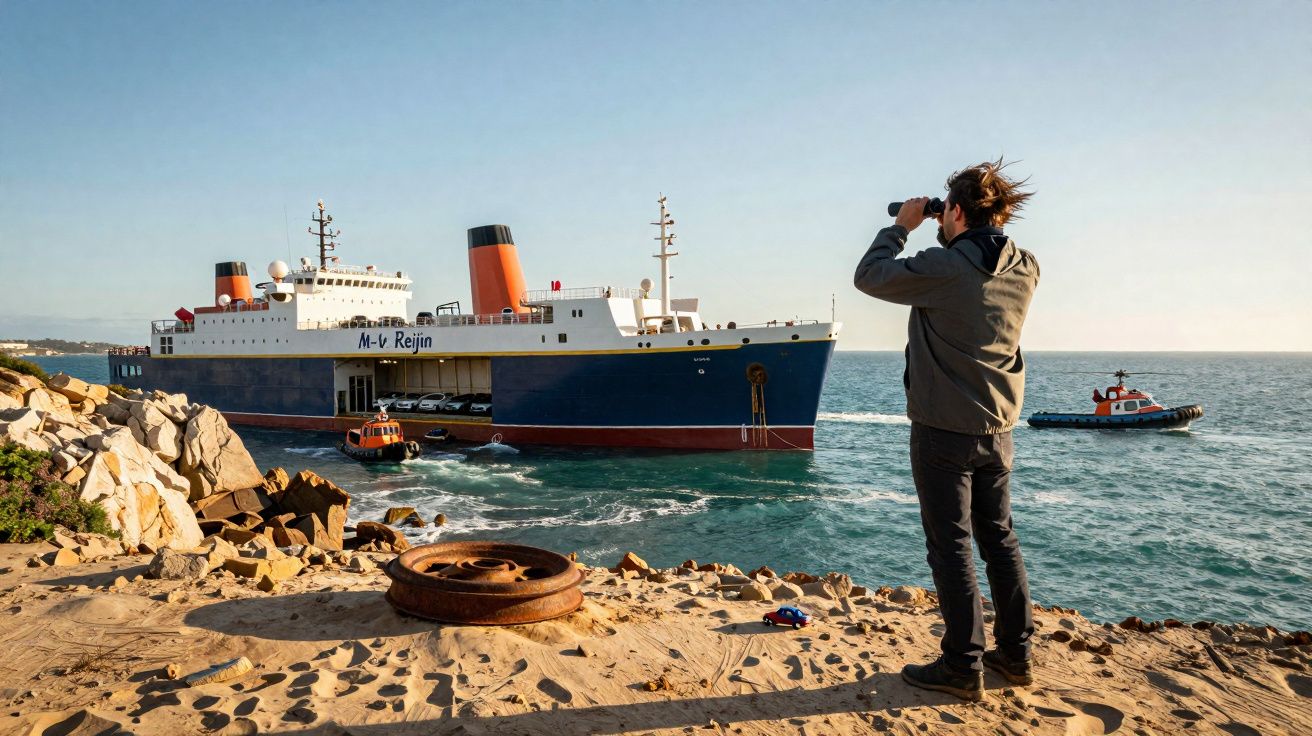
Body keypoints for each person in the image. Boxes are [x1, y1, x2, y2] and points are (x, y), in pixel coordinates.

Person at [853, 159, 1039, 701]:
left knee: (951, 546)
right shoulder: (1026, 265)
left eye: (945, 210)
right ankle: (1017, 655)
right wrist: (949, 225)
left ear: (954, 211)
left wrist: (903, 226)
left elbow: (870, 276)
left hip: (942, 431)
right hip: (999, 427)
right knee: (999, 540)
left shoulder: (946, 266)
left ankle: (962, 666)